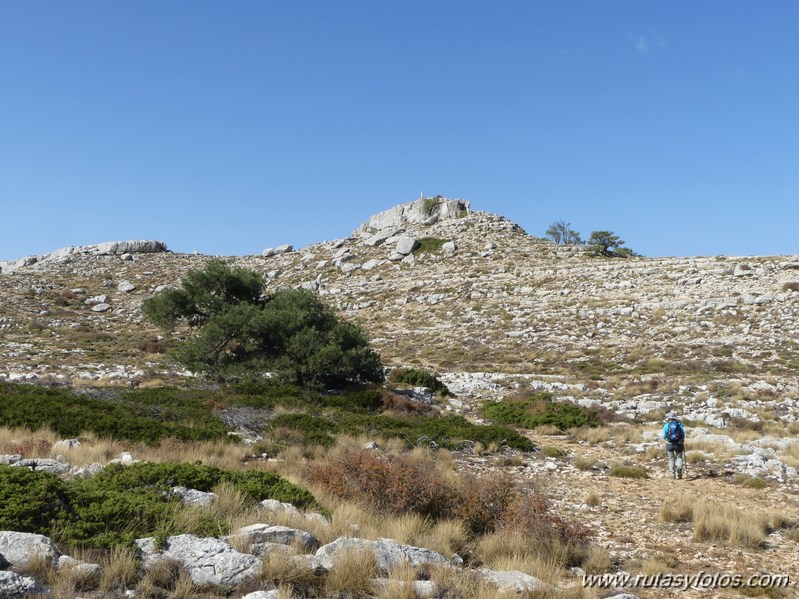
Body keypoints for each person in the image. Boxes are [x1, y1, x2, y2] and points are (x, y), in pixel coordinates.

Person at [663, 411, 685, 479]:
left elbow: (664, 435)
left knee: (671, 459)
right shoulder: (679, 425)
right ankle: (679, 470)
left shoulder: (666, 425)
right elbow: (683, 434)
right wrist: (682, 440)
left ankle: (672, 475)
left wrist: (668, 439)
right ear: (675, 418)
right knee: (679, 457)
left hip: (669, 444)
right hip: (678, 444)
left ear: (669, 418)